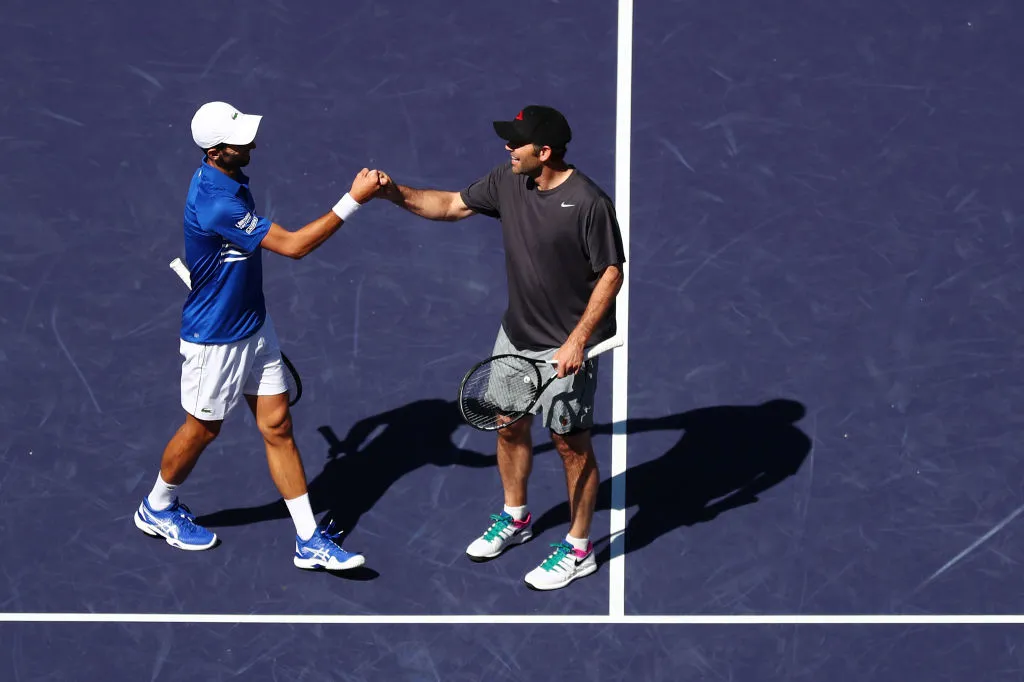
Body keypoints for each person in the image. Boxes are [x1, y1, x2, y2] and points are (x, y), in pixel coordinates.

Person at [375, 105, 626, 590]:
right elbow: (449, 205)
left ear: (545, 152)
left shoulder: (589, 202)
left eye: (517, 142)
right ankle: (516, 518)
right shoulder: (509, 181)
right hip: (516, 336)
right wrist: (392, 193)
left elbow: (610, 273)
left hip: (566, 350)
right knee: (508, 427)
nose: (508, 148)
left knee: (570, 448)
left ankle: (578, 549)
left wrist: (577, 340)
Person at [133, 101, 380, 572]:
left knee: (278, 427)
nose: (250, 142)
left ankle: (309, 540)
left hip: (253, 324)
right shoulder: (217, 202)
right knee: (203, 429)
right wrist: (354, 199)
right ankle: (158, 507)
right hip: (216, 339)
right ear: (216, 150)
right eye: (239, 139)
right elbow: (293, 246)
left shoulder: (228, 178)